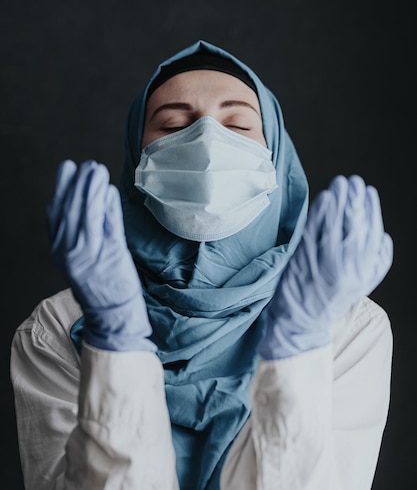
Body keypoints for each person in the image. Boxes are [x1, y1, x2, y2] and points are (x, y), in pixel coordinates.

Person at [10, 40, 393, 490]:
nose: (208, 141)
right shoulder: (58, 329)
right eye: (173, 125)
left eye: (238, 124)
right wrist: (114, 337)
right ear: (137, 158)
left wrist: (297, 344)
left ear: (277, 159)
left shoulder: (345, 327)